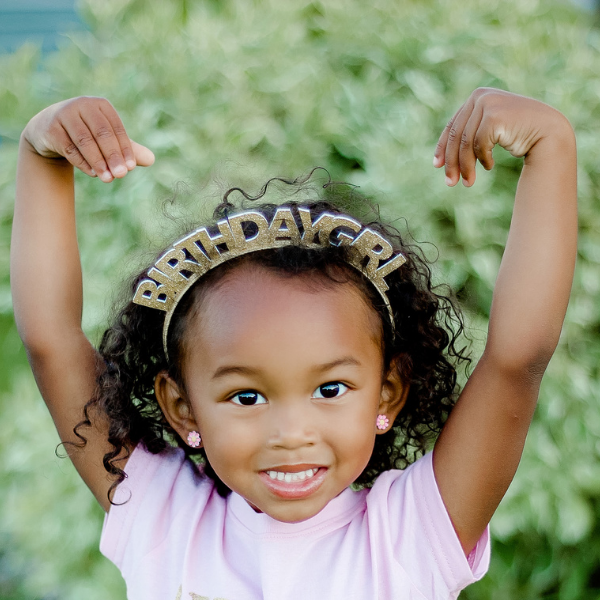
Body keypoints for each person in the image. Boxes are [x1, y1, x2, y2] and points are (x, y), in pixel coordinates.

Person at [11, 88, 577, 600]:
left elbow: (515, 360)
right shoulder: (166, 522)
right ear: (182, 407)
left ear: (387, 393)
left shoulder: (413, 533)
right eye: (247, 397)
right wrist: (41, 153)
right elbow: (51, 340)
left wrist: (551, 146)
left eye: (330, 388)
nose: (291, 434)